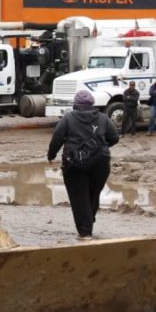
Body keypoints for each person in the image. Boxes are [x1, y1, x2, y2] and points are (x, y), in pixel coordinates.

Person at [47, 89, 118, 240]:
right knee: (93, 194)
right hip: (101, 162)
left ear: (76, 104)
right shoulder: (103, 118)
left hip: (74, 164)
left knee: (79, 197)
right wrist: (101, 146)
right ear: (92, 103)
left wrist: (51, 155)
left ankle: (85, 232)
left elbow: (57, 138)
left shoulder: (68, 118)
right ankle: (88, 221)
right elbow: (114, 137)